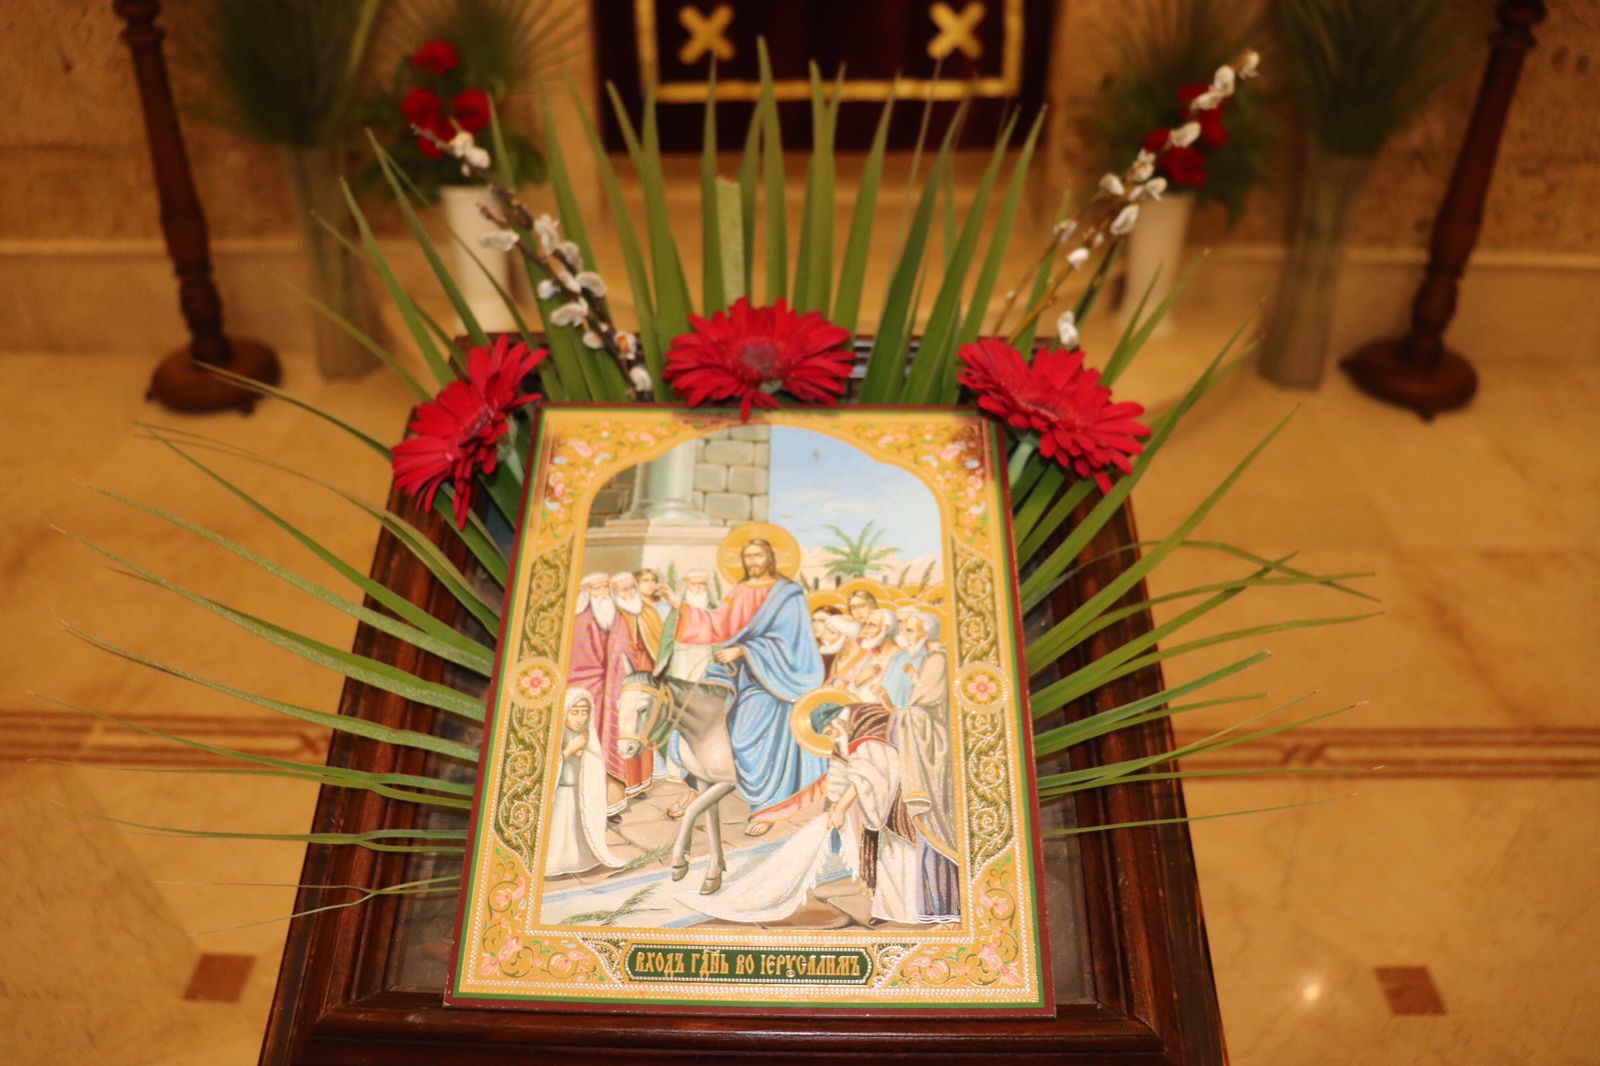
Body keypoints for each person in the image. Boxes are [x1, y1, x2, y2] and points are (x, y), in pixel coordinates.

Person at [659, 538, 826, 836]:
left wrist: (744, 651)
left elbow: (791, 642)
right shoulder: (740, 591)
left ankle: (769, 806)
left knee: (745, 735)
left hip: (775, 679)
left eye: (758, 555)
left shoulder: (787, 594)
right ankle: (697, 786)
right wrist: (678, 606)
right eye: (747, 556)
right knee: (697, 713)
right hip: (736, 673)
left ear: (770, 556)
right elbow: (718, 626)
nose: (752, 561)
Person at [880, 608, 960, 923]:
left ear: (927, 633)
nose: (905, 635)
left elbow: (922, 709)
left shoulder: (937, 660)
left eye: (911, 630)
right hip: (925, 750)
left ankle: (947, 910)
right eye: (904, 629)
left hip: (933, 757)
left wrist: (897, 712)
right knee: (926, 834)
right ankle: (936, 911)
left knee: (935, 827)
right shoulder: (923, 660)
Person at [567, 572, 629, 819]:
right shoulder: (577, 621)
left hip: (611, 691)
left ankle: (608, 806)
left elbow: (626, 654)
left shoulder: (617, 617)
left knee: (608, 747)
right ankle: (582, 806)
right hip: (582, 692)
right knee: (584, 750)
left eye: (605, 588)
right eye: (597, 589)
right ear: (586, 592)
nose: (602, 593)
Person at [544, 688, 624, 878]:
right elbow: (547, 767)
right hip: (558, 794)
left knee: (577, 830)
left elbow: (595, 763)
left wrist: (584, 755)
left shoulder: (588, 736)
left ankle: (582, 860)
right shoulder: (554, 736)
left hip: (578, 794)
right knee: (557, 834)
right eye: (575, 712)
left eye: (584, 712)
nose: (580, 718)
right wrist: (569, 750)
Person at [609, 572, 658, 798]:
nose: (629, 593)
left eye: (631, 588)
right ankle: (626, 782)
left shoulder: (648, 611)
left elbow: (658, 643)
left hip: (646, 672)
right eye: (624, 590)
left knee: (643, 726)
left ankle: (641, 782)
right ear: (615, 593)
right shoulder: (613, 616)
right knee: (626, 727)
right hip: (621, 678)